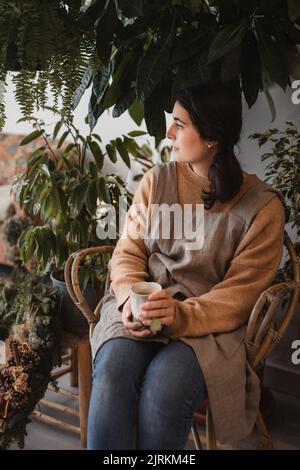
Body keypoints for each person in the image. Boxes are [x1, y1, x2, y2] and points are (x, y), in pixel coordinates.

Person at [87, 81, 286, 450]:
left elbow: (241, 293)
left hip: (209, 327)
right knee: (113, 376)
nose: (168, 133)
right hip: (142, 308)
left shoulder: (261, 208)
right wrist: (130, 297)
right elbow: (128, 251)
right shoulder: (156, 181)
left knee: (163, 394)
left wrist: (181, 315)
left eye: (180, 123)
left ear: (212, 135)